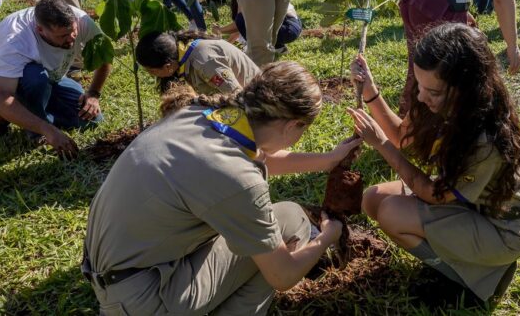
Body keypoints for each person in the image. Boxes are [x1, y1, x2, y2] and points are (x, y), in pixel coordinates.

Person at [83, 61, 361, 315]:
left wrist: (328, 160)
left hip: (117, 276)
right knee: (290, 220)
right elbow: (284, 276)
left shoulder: (198, 115)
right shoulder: (237, 178)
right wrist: (327, 237)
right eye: (304, 130)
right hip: (143, 299)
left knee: (257, 235)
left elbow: (260, 157)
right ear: (293, 125)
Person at [348, 23, 520, 305]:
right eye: (419, 85)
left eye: (431, 92)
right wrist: (370, 92)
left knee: (391, 213)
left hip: (500, 229)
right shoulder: (435, 94)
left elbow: (434, 195)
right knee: (372, 200)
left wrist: (381, 145)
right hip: (467, 203)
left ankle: (472, 279)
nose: (421, 97)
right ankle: (464, 260)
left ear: (464, 89)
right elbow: (401, 136)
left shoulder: (485, 139)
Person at [0, 0, 111, 156]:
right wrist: (46, 129)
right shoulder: (17, 41)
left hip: (48, 73)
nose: (71, 38)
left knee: (90, 120)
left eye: (73, 31)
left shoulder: (81, 20)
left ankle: (22, 110)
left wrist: (93, 93)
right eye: (63, 36)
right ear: (40, 30)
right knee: (36, 79)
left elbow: (104, 56)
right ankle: (34, 129)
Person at [136, 30, 260, 94]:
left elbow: (238, 96)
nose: (151, 75)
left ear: (168, 66)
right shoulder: (182, 56)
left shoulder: (205, 63)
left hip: (256, 101)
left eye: (152, 71)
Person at [214, 0, 302, 53]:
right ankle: (278, 47)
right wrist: (226, 44)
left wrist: (220, 30)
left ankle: (258, 50)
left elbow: (240, 23)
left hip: (286, 28)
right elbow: (240, 28)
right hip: (293, 25)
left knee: (242, 19)